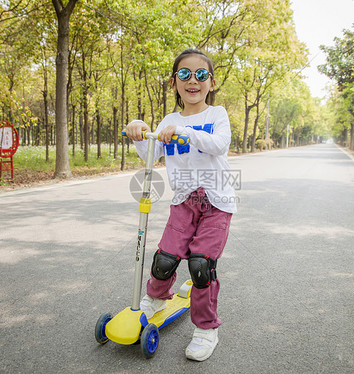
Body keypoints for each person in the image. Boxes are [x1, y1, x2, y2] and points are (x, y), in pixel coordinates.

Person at [124, 48, 237, 361]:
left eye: (201, 75)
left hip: (217, 202)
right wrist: (138, 131)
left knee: (200, 265)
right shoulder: (169, 120)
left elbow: (220, 144)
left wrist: (186, 132)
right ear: (174, 81)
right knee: (165, 258)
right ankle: (157, 298)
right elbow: (151, 153)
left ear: (211, 82)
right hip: (183, 202)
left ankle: (206, 329)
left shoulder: (217, 115)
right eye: (185, 74)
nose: (193, 80)